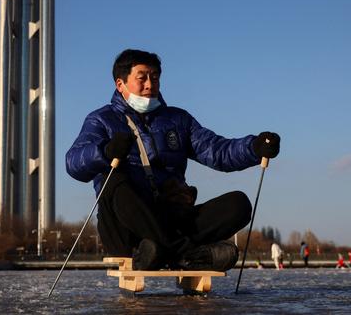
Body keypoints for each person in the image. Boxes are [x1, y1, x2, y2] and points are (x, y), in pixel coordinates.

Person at [66, 49, 281, 271]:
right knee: (113, 181)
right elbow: (73, 163)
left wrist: (254, 147)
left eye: (155, 77)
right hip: (127, 229)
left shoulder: (177, 120)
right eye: (142, 78)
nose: (150, 84)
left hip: (172, 216)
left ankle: (160, 253)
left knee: (239, 204)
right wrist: (104, 151)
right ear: (120, 84)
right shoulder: (101, 120)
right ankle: (186, 255)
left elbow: (217, 151)